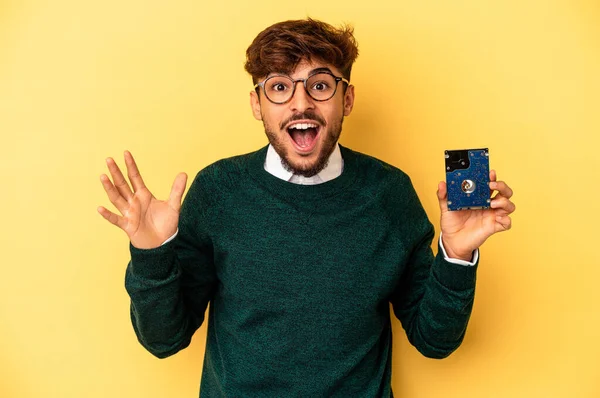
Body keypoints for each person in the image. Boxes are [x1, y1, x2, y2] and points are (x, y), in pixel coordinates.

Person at [98, 18, 515, 397]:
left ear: (346, 99)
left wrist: (456, 257)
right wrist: (152, 256)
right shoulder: (218, 192)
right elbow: (164, 340)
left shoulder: (389, 194)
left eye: (319, 85)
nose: (301, 104)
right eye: (279, 86)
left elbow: (435, 341)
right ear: (257, 103)